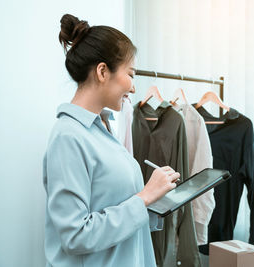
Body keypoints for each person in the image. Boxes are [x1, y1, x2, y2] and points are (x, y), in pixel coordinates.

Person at [42, 14, 179, 267]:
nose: (134, 88)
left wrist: (155, 199)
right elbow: (75, 236)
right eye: (131, 74)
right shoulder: (68, 137)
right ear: (103, 71)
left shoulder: (102, 128)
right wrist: (144, 197)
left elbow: (113, 208)